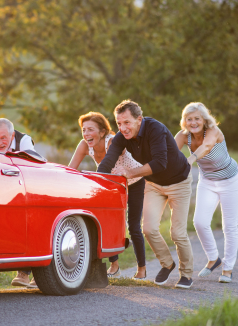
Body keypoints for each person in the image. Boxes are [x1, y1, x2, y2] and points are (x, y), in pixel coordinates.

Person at [98, 100, 195, 289]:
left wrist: (131, 173)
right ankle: (167, 263)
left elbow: (160, 163)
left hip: (179, 182)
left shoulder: (155, 129)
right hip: (154, 184)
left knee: (177, 233)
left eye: (127, 122)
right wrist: (98, 181)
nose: (123, 128)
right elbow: (108, 161)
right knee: (149, 229)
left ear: (139, 119)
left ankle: (186, 274)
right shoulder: (121, 137)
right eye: (119, 123)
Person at [68, 112, 147, 279]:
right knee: (108, 223)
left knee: (133, 226)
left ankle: (141, 268)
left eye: (91, 129)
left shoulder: (112, 141)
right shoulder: (84, 145)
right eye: (84, 130)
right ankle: (114, 265)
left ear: (102, 132)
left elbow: (108, 165)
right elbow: (71, 170)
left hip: (134, 182)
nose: (86, 134)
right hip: (112, 184)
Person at [175, 102, 238, 283]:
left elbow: (206, 147)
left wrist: (189, 160)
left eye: (197, 118)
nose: (193, 122)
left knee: (229, 226)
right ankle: (214, 258)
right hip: (208, 181)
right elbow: (170, 152)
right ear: (185, 121)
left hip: (230, 181)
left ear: (204, 120)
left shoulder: (213, 131)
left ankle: (227, 269)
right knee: (199, 222)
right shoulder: (184, 136)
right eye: (189, 119)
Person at [0, 118, 36, 288]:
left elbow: (29, 166)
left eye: (3, 138)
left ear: (12, 136)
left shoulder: (24, 140)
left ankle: (25, 273)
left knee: (27, 223)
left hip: (21, 186)